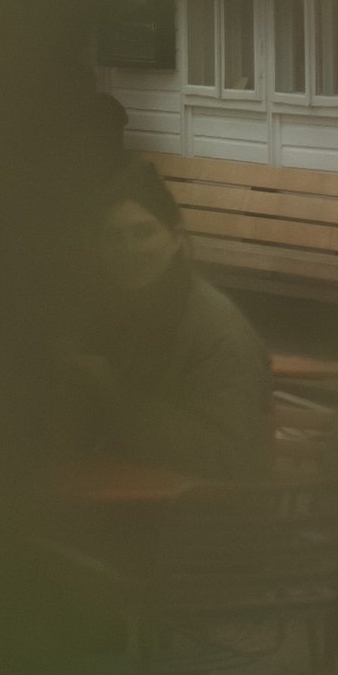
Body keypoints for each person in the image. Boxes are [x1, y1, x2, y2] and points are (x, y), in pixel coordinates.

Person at [71, 163, 272, 479]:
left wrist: (114, 399)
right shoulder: (116, 311)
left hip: (214, 514)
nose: (129, 250)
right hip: (130, 499)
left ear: (176, 238)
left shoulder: (218, 331)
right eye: (114, 237)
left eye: (143, 233)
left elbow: (227, 456)